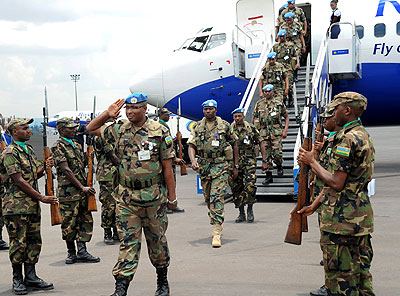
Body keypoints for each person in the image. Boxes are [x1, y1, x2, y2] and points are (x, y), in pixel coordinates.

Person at [86, 93, 177, 296]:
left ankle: (162, 282)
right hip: (127, 198)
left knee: (157, 241)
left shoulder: (160, 130)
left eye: (135, 108)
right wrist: (106, 114)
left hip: (153, 197)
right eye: (127, 108)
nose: (130, 112)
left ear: (145, 109)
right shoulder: (119, 129)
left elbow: (167, 168)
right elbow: (91, 128)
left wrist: (172, 198)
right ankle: (121, 290)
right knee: (128, 242)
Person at [297, 92, 375, 296]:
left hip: (342, 220)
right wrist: (314, 205)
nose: (331, 114)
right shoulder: (361, 134)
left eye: (335, 109)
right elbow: (337, 182)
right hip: (358, 218)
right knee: (361, 277)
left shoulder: (347, 140)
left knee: (341, 281)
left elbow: (336, 182)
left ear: (347, 110)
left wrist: (311, 162)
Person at [0, 118, 57, 295]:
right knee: (18, 243)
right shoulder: (10, 153)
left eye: (28, 128)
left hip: (30, 205)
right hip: (15, 206)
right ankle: (17, 278)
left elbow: (31, 177)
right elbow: (18, 180)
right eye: (24, 128)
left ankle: (31, 276)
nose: (28, 130)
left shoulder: (28, 150)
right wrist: (41, 197)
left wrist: (44, 168)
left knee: (33, 241)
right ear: (14, 132)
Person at [188, 99, 239, 248]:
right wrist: (193, 160)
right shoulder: (197, 126)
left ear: (215, 110)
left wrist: (235, 165)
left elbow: (234, 144)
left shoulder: (224, 126)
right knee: (208, 198)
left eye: (210, 109)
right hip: (204, 167)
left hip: (220, 165)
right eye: (205, 109)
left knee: (217, 198)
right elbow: (191, 145)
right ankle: (216, 219)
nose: (208, 111)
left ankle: (216, 231)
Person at [51, 117, 100, 265]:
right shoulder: (57, 146)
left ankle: (82, 250)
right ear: (61, 130)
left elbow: (82, 167)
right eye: (70, 128)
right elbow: (66, 170)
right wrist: (81, 187)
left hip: (82, 191)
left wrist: (89, 158)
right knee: (69, 222)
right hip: (69, 192)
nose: (74, 130)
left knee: (84, 219)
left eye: (74, 128)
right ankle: (71, 252)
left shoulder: (77, 145)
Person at [309, 105, 341, 296]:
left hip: (336, 204)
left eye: (326, 118)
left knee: (334, 246)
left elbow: (334, 179)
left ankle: (332, 287)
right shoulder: (332, 142)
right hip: (326, 199)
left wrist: (313, 161)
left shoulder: (342, 142)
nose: (324, 122)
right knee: (329, 244)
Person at [228, 108, 267, 223]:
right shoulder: (229, 129)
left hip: (249, 160)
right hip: (235, 162)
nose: (237, 118)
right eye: (235, 116)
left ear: (243, 116)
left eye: (239, 116)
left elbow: (260, 142)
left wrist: (264, 160)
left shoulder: (251, 128)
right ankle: (241, 213)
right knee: (236, 187)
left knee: (250, 185)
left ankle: (250, 209)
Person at [252, 85, 289, 185]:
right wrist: (254, 132)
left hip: (276, 133)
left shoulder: (279, 103)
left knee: (277, 153)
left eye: (269, 91)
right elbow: (254, 118)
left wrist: (285, 131)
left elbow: (286, 117)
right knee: (266, 155)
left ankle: (279, 165)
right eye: (265, 92)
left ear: (273, 91)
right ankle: (269, 176)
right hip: (263, 134)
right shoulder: (259, 104)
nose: (267, 93)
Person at [158, 108, 185, 214]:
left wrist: (177, 139)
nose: (168, 116)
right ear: (161, 115)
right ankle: (166, 205)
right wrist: (174, 158)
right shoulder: (161, 126)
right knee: (167, 182)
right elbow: (165, 147)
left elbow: (168, 142)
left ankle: (172, 203)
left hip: (170, 157)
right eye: (166, 114)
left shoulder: (165, 125)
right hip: (167, 158)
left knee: (172, 181)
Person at [93, 134, 119, 245]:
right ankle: (107, 230)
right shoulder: (102, 134)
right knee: (109, 204)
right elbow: (111, 153)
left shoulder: (114, 131)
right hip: (106, 173)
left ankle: (116, 230)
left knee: (118, 204)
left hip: (116, 173)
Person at [272, 29, 300, 107]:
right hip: (278, 67)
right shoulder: (275, 46)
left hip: (288, 67)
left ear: (285, 36)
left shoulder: (290, 45)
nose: (281, 38)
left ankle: (291, 98)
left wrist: (297, 63)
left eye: (283, 36)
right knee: (281, 84)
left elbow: (296, 54)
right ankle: (283, 101)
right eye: (280, 37)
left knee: (289, 84)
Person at [279, 11, 306, 82]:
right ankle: (288, 77)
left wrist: (304, 46)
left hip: (296, 43)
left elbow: (301, 36)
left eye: (290, 20)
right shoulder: (283, 26)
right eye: (287, 20)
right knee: (287, 60)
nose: (288, 21)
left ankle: (295, 76)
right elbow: (280, 37)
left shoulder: (297, 25)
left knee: (296, 59)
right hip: (287, 44)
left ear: (293, 19)